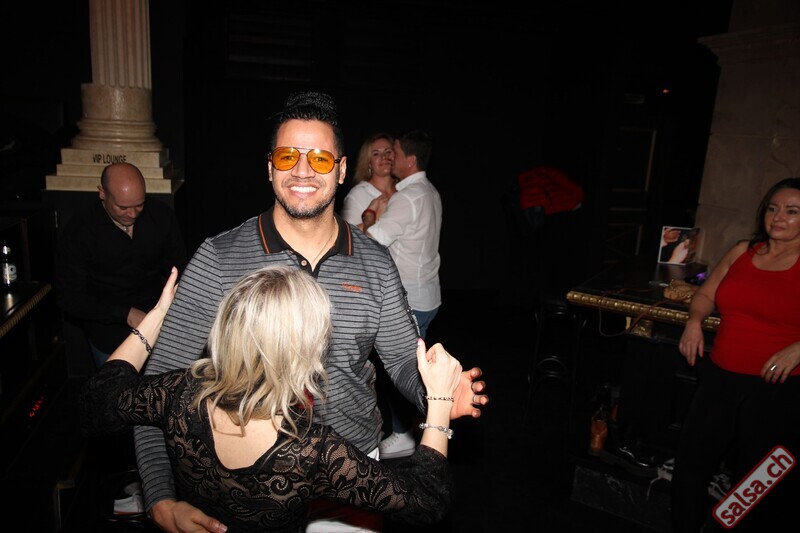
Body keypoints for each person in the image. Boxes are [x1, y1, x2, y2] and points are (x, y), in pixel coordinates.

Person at [133, 91, 488, 533]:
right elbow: (158, 383)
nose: (302, 170)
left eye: (319, 159)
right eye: (288, 156)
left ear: (340, 169)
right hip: (242, 484)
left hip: (350, 478)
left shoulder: (375, 263)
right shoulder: (220, 258)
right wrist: (160, 496)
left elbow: (401, 359)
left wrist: (436, 396)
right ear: (270, 167)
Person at [82, 265, 462, 532]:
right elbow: (426, 499)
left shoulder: (179, 393)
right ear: (307, 354)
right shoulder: (310, 452)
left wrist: (158, 315)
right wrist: (440, 401)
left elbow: (97, 402)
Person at [671, 177, 800, 532]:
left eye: (792, 211)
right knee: (689, 466)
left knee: (756, 482)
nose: (778, 217)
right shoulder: (744, 250)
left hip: (776, 388)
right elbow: (705, 294)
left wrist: (798, 348)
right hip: (719, 378)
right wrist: (694, 321)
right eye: (773, 208)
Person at [360, 129, 443, 460]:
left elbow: (373, 240)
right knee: (409, 367)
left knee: (401, 369)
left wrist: (368, 216)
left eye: (394, 152)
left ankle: (404, 435)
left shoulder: (408, 198)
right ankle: (409, 431)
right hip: (427, 294)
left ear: (410, 159)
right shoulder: (429, 191)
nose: (390, 157)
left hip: (412, 298)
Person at [55, 161, 188, 367]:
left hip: (158, 328)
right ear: (102, 193)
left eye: (139, 205)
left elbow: (179, 267)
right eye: (123, 207)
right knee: (115, 386)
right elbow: (69, 296)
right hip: (108, 335)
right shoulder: (80, 230)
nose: (132, 214)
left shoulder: (160, 215)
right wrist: (124, 313)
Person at [341, 132, 397, 225]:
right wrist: (374, 218)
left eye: (388, 152)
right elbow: (349, 232)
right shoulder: (359, 194)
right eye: (376, 154)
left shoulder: (405, 189)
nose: (384, 157)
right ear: (369, 162)